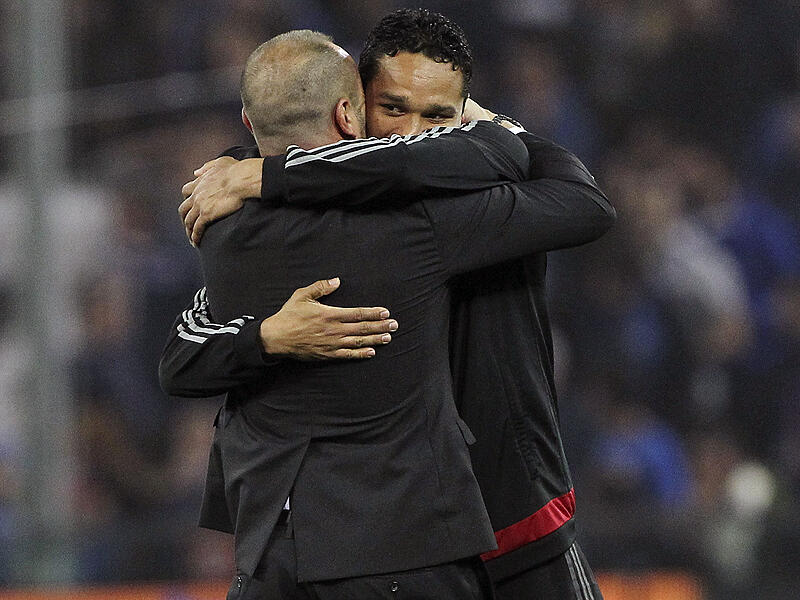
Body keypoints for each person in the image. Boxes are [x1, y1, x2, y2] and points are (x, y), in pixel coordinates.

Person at [167, 10, 614, 600]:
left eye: (438, 117)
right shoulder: (324, 216)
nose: (411, 133)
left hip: (509, 508)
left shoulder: (462, 187)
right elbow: (182, 357)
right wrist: (267, 336)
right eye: (394, 108)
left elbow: (586, 206)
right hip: (400, 535)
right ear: (352, 108)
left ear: (464, 117)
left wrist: (268, 174)